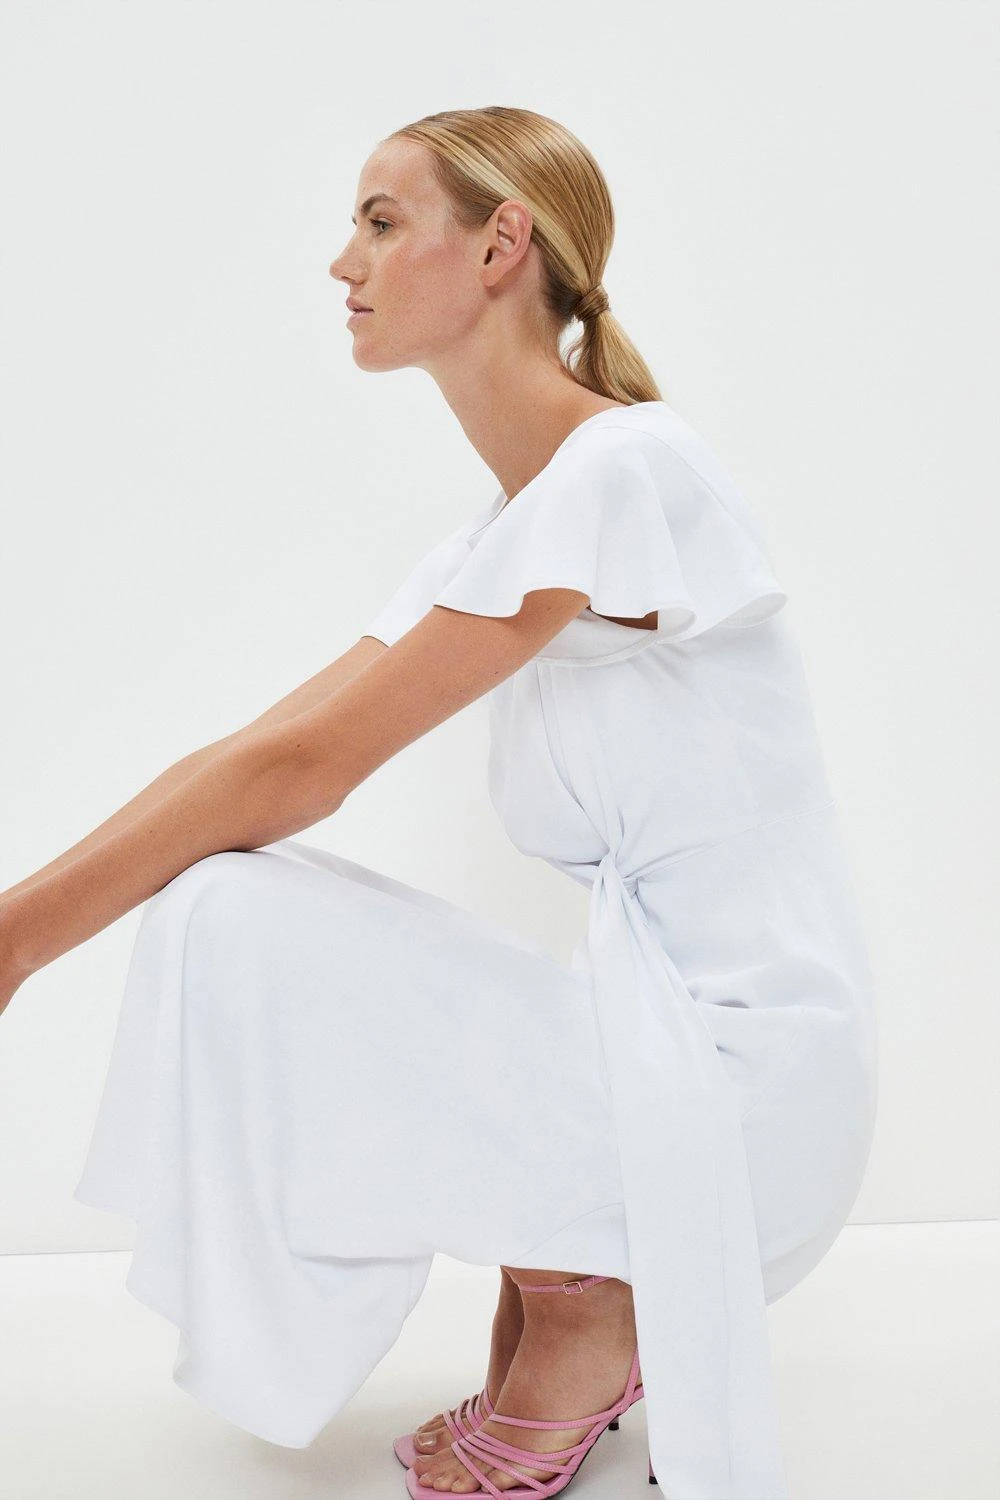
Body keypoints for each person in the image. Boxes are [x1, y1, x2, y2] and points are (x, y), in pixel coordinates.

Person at [0, 106, 878, 1499]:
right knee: (227, 899)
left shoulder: (625, 472)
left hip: (744, 1110)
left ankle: (593, 1295)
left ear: (499, 245)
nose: (341, 259)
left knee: (239, 909)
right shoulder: (511, 526)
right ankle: (575, 1264)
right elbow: (263, 748)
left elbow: (300, 773)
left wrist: (17, 944)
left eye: (381, 221)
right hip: (661, 1060)